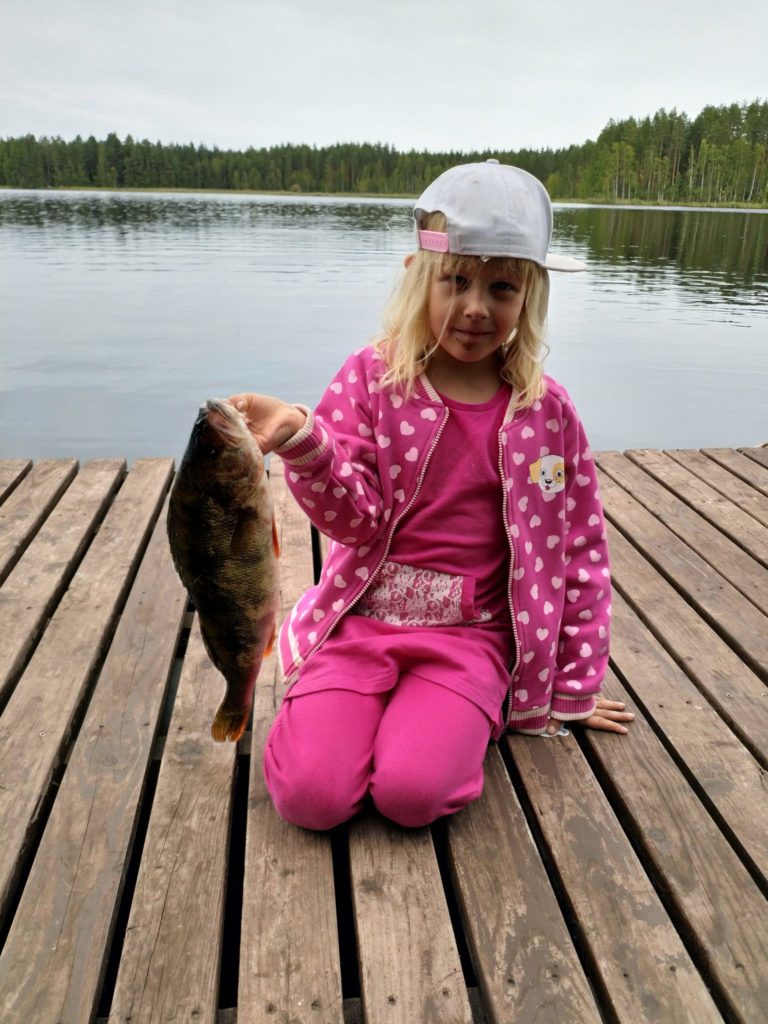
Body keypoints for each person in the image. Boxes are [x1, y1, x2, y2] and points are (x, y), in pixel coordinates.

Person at [231, 159, 633, 831]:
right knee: (311, 798)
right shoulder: (372, 379)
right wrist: (303, 440)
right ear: (421, 278)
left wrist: (571, 687)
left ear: (529, 296)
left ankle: (454, 714)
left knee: (413, 794)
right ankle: (338, 715)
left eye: (501, 287)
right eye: (456, 281)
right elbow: (352, 521)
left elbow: (579, 552)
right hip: (359, 623)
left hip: (471, 639)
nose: (476, 307)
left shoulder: (546, 412)